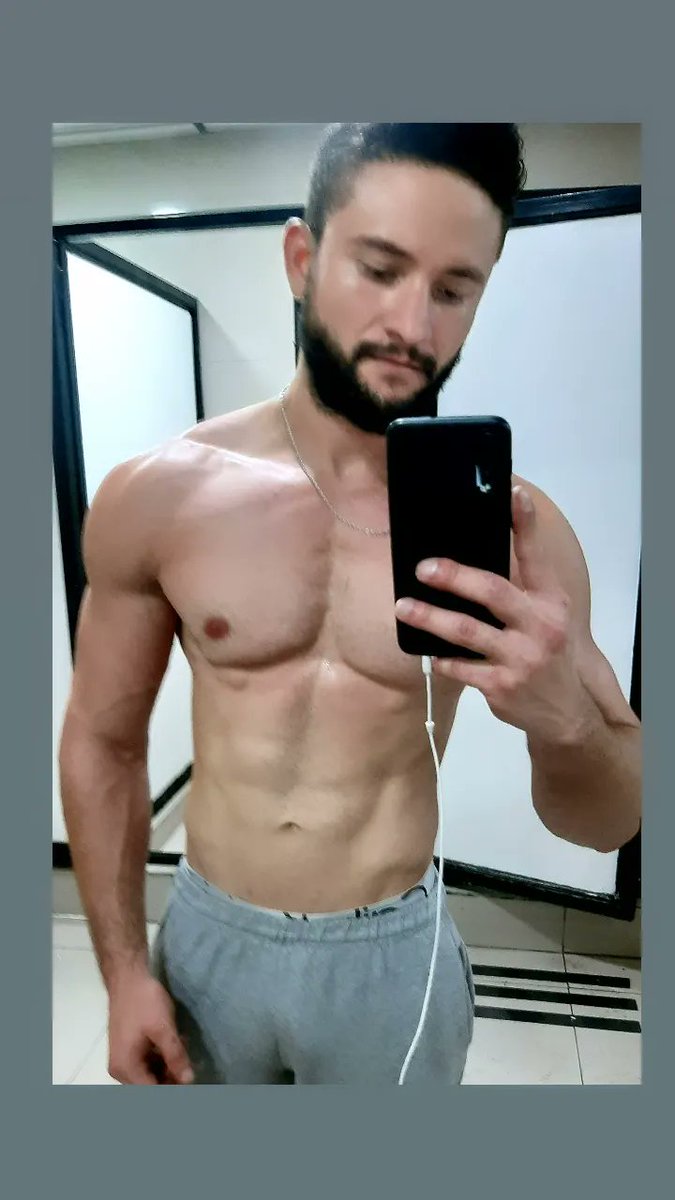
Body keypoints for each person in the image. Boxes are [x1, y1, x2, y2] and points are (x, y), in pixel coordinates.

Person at [59, 123, 641, 1086]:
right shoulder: (160, 496)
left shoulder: (521, 533)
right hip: (207, 941)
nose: (413, 324)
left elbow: (607, 822)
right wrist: (122, 976)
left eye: (453, 289)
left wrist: (565, 721)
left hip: (391, 956)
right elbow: (103, 742)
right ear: (302, 258)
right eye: (379, 268)